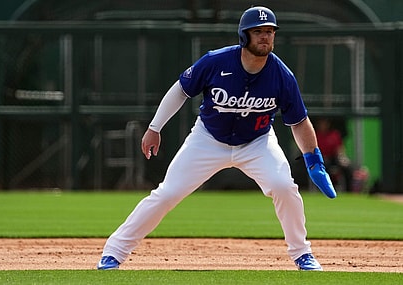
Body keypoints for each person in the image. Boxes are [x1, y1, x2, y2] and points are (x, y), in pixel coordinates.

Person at [97, 6, 336, 271]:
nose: (265, 37)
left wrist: (314, 159)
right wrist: (155, 127)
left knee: (284, 187)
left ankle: (302, 254)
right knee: (167, 193)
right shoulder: (216, 61)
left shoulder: (282, 75)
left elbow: (299, 121)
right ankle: (114, 252)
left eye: (269, 31)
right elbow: (180, 90)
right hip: (208, 139)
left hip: (257, 143)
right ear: (244, 36)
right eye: (258, 31)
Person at [314, 117, 354, 191]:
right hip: (321, 159)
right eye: (321, 123)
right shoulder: (315, 135)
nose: (323, 125)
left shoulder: (334, 134)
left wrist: (342, 158)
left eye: (325, 123)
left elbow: (340, 149)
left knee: (347, 168)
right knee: (324, 167)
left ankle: (349, 190)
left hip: (334, 158)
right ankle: (324, 189)